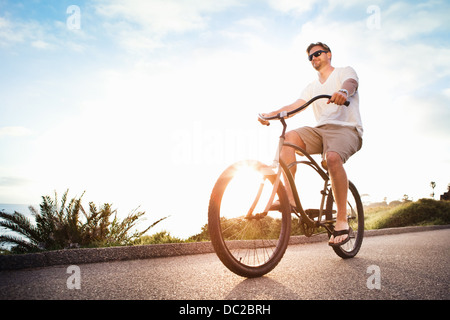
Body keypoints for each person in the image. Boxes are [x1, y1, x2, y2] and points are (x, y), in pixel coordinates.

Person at [258, 42, 363, 247]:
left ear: (329, 54)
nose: (314, 58)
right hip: (320, 130)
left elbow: (351, 83)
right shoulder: (311, 87)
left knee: (332, 158)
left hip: (346, 129)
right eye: (310, 57)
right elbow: (294, 106)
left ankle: (341, 220)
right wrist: (270, 114)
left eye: (318, 53)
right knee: (289, 138)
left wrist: (343, 91)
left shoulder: (344, 72)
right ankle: (290, 198)